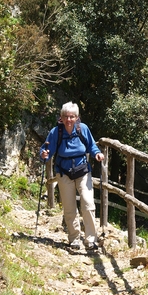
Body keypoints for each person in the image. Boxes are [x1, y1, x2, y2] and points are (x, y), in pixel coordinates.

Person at [41, 102, 105, 251]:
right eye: (66, 117)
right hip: (64, 172)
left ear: (77, 118)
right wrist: (44, 155)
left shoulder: (83, 129)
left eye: (72, 117)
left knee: (88, 203)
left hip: (82, 171)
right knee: (69, 207)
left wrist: (97, 154)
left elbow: (91, 146)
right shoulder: (56, 132)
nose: (69, 119)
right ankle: (74, 239)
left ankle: (90, 239)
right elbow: (46, 150)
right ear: (61, 118)